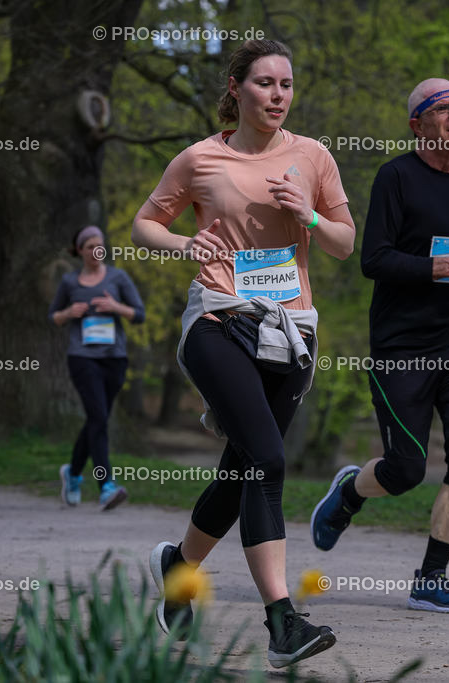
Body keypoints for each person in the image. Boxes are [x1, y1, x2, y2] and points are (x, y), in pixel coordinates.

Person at [131, 39, 354, 668]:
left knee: (243, 472)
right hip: (218, 320)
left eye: (286, 84)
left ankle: (178, 571)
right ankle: (283, 623)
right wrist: (182, 246)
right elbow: (144, 223)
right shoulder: (201, 158)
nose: (277, 95)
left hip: (291, 331)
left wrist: (309, 217)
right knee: (267, 458)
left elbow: (343, 244)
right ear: (236, 88)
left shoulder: (313, 156)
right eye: (264, 83)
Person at [310, 78, 449, 613]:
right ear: (417, 124)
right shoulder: (395, 177)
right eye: (442, 108)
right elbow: (373, 260)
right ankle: (350, 493)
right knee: (404, 471)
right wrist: (442, 266)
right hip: (401, 344)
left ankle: (431, 578)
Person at [49, 226, 145, 510]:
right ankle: (106, 486)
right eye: (90, 246)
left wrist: (116, 307)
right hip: (82, 357)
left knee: (97, 419)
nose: (96, 250)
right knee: (99, 417)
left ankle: (73, 474)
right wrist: (69, 313)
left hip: (114, 358)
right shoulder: (69, 282)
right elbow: (53, 316)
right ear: (80, 250)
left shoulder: (118, 277)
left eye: (100, 245)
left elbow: (139, 314)